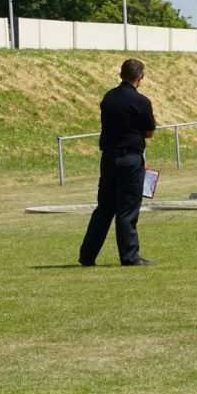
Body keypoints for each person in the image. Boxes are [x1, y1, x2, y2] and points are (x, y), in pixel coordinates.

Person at [79, 58, 156, 267]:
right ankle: (129, 256)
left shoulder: (108, 98)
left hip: (109, 158)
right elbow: (149, 132)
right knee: (127, 209)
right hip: (131, 158)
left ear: (121, 74)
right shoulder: (142, 102)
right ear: (139, 78)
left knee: (104, 208)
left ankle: (87, 255)